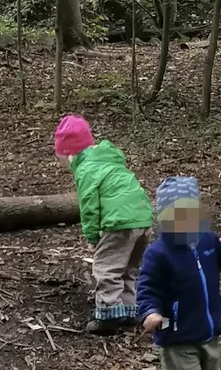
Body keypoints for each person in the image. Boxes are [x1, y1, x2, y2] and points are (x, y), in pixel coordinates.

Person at [137, 176, 221, 370]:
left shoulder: (207, 240)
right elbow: (147, 287)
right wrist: (150, 312)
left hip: (208, 334)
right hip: (177, 338)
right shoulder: (158, 253)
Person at [53, 115, 154, 335]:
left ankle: (108, 314)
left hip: (119, 221)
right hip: (142, 216)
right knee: (128, 265)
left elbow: (89, 207)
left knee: (106, 266)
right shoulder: (109, 160)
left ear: (71, 154)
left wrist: (92, 238)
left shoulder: (86, 169)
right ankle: (129, 308)